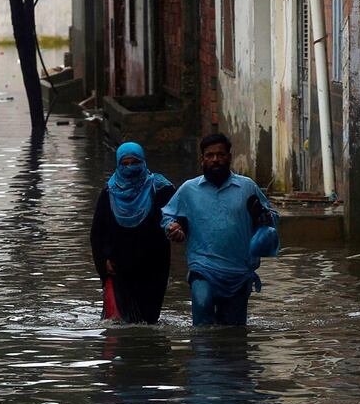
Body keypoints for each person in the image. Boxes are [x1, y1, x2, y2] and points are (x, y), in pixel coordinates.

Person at [161, 133, 278, 326]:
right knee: (202, 303)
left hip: (238, 272)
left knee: (233, 331)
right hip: (203, 267)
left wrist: (263, 217)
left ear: (229, 157)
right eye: (210, 155)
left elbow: (270, 221)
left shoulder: (247, 187)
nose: (215, 159)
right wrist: (172, 227)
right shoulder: (188, 190)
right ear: (202, 159)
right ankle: (203, 353)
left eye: (220, 154)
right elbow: (168, 215)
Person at [90, 142, 175, 324]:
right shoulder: (109, 192)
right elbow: (98, 232)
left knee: (149, 320)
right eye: (125, 164)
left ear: (143, 162)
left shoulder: (161, 189)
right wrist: (103, 260)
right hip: (119, 267)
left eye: (135, 162)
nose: (130, 168)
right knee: (121, 322)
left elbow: (177, 217)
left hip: (154, 266)